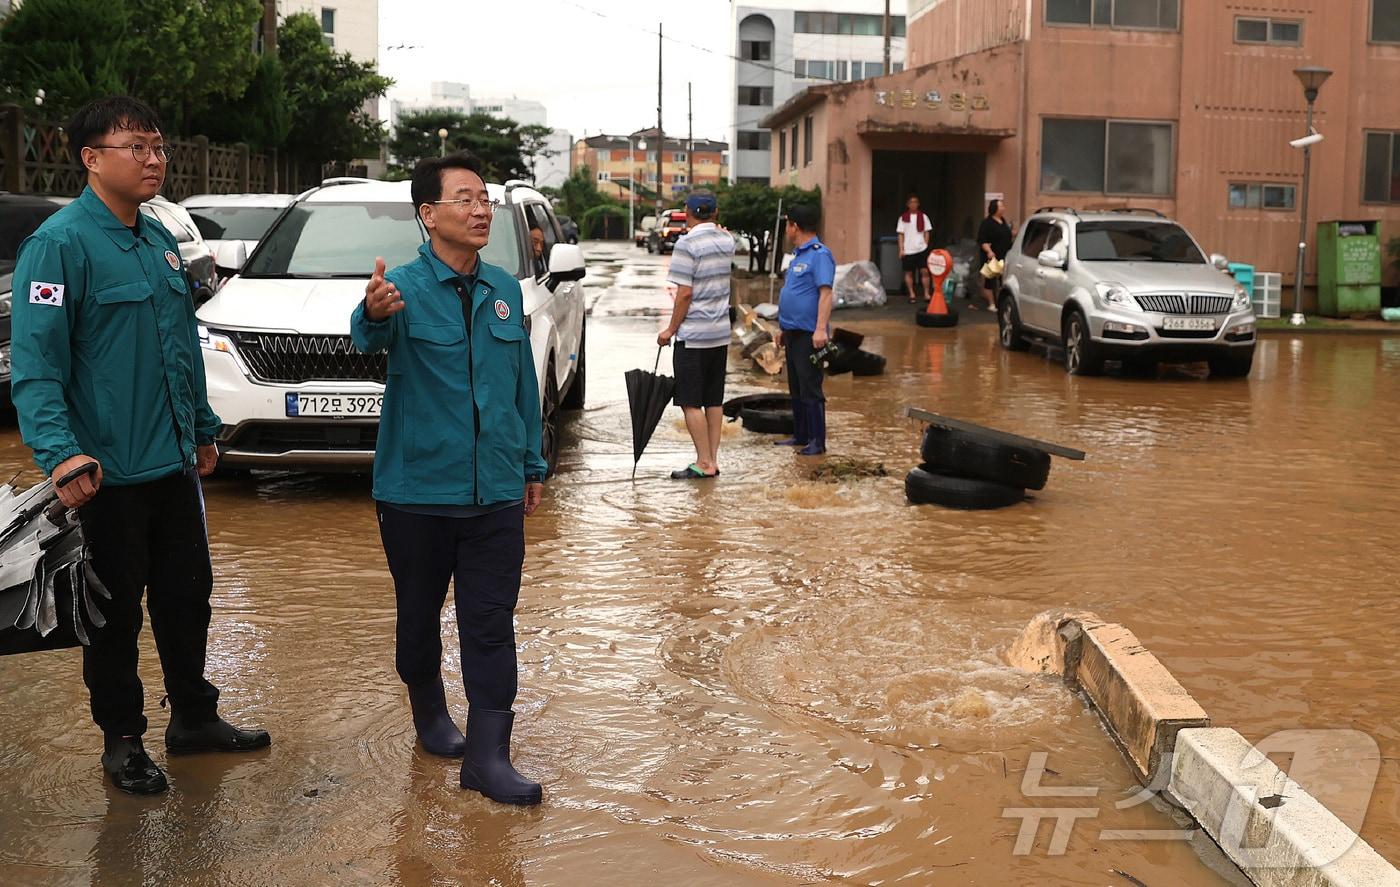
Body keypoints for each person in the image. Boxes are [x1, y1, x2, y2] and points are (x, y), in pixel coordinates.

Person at [10, 96, 269, 796]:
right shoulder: (58, 246)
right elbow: (37, 368)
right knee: (114, 614)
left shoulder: (158, 239)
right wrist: (62, 456)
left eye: (158, 145)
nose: (155, 158)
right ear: (92, 158)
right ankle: (122, 740)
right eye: (137, 146)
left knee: (189, 598)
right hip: (105, 475)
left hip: (174, 465)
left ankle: (193, 718)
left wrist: (206, 429)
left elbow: (181, 348)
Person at [351, 150, 546, 806]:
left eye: (485, 198)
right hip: (415, 495)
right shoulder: (400, 286)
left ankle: (489, 758)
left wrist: (531, 463)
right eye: (464, 198)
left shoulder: (505, 290)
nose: (481, 208)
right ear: (428, 214)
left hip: (493, 492)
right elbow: (367, 340)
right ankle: (431, 715)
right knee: (418, 616)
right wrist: (373, 312)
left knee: (491, 621)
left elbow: (523, 384)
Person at [658, 191, 735, 480]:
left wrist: (669, 330)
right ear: (715, 214)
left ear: (687, 212)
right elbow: (726, 234)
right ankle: (712, 460)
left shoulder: (686, 244)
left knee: (691, 401)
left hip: (693, 336)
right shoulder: (727, 241)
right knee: (714, 400)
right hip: (720, 334)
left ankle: (704, 463)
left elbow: (685, 293)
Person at [773, 204, 835, 456]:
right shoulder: (799, 255)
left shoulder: (820, 255)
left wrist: (820, 329)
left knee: (810, 388)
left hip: (810, 334)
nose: (786, 228)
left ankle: (817, 442)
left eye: (787, 223)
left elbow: (826, 293)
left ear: (794, 226)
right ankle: (800, 436)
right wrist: (783, 328)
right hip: (792, 332)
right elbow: (794, 294)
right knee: (796, 388)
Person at [975, 198, 1014, 311]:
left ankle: (1001, 303)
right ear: (995, 209)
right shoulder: (987, 223)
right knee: (990, 280)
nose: (1003, 208)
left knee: (1002, 280)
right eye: (1000, 206)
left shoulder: (1003, 220)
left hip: (1004, 255)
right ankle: (991, 303)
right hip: (992, 257)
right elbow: (982, 240)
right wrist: (989, 251)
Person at [896, 194, 933, 304]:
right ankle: (912, 294)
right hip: (908, 249)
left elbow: (927, 231)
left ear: (918, 204)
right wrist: (901, 249)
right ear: (908, 204)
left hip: (921, 248)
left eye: (915, 202)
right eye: (911, 202)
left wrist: (925, 244)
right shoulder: (903, 218)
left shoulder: (924, 217)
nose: (914, 204)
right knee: (909, 273)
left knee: (925, 271)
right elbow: (900, 234)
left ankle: (926, 293)